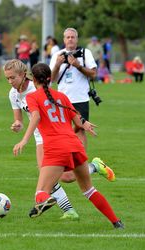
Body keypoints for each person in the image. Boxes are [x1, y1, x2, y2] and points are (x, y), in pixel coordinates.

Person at [13, 63, 124, 229]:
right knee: (88, 190)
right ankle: (117, 222)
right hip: (74, 144)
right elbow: (77, 119)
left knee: (41, 192)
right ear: (50, 78)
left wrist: (24, 140)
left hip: (56, 148)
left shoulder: (33, 97)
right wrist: (85, 125)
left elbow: (35, 117)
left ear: (33, 79)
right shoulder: (61, 96)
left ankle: (46, 201)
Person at [50, 28, 97, 158]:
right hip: (62, 100)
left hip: (80, 98)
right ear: (64, 39)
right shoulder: (57, 55)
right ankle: (65, 158)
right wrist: (57, 65)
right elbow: (52, 79)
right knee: (61, 130)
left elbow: (93, 74)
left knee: (80, 129)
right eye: (68, 37)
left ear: (77, 39)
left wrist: (78, 66)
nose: (70, 39)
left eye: (73, 37)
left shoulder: (85, 53)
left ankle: (80, 159)